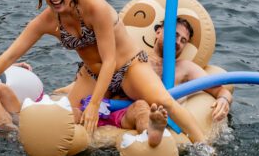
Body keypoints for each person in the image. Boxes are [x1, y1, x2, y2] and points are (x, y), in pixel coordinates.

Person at [0, 0, 207, 143]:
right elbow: (11, 55)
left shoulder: (95, 6)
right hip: (92, 74)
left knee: (165, 101)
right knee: (64, 114)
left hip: (128, 67)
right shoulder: (46, 21)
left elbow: (110, 59)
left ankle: (206, 149)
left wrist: (94, 105)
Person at [68, 18, 232, 141]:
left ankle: (151, 137)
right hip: (110, 110)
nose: (178, 42)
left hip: (140, 113)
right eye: (174, 35)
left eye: (183, 41)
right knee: (72, 113)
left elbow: (219, 88)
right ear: (159, 32)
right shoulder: (135, 58)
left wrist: (224, 98)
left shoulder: (184, 68)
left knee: (142, 108)